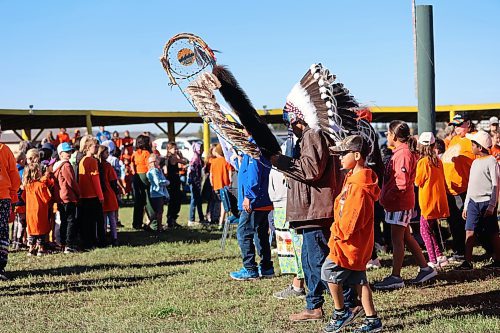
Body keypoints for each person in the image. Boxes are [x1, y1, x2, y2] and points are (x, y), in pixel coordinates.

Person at [270, 117, 340, 321]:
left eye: (288, 120)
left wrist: (281, 161)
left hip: (315, 210)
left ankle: (349, 303)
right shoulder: (310, 136)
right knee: (310, 262)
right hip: (310, 211)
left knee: (318, 262)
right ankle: (314, 306)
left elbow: (311, 170)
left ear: (298, 118)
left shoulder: (313, 134)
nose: (288, 125)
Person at [321, 135, 383, 333]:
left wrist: (336, 233)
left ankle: (341, 312)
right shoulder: (354, 179)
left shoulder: (358, 186)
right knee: (360, 281)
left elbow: (351, 220)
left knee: (328, 273)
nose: (339, 157)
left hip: (348, 244)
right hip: (355, 244)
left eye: (343, 153)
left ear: (357, 155)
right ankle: (372, 319)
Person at [375, 121, 436, 290]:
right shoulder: (402, 152)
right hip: (400, 202)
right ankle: (425, 268)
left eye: (388, 133)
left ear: (394, 135)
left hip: (399, 203)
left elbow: (400, 183)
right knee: (406, 237)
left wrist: (386, 198)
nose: (387, 136)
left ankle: (396, 276)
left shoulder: (403, 153)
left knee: (397, 240)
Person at [229, 133, 274, 281]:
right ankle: (266, 267)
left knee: (244, 233)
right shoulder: (262, 144)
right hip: (263, 200)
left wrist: (249, 196)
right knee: (260, 234)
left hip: (255, 200)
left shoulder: (253, 146)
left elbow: (254, 173)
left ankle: (250, 268)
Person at [270, 140, 306, 300]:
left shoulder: (294, 148)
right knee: (289, 248)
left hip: (289, 204)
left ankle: (299, 285)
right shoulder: (289, 145)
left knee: (297, 247)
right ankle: (298, 283)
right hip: (281, 205)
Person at [459, 131, 500, 270]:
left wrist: (492, 205)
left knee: (493, 232)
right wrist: (466, 205)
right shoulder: (475, 162)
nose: (471, 146)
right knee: (469, 231)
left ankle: (498, 260)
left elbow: (496, 185)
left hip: (487, 202)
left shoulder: (492, 161)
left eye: (473, 144)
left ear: (480, 147)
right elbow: (470, 185)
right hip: (473, 203)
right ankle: (468, 261)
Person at [441, 114, 475, 262]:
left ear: (468, 124)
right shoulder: (454, 139)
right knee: (453, 222)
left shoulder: (473, 139)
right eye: (454, 125)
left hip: (464, 189)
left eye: (459, 125)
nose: (455, 128)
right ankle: (458, 250)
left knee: (462, 222)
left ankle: (463, 252)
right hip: (450, 189)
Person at [414, 132, 450, 269]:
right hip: (439, 202)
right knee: (429, 230)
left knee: (424, 231)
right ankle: (439, 255)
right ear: (434, 144)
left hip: (427, 202)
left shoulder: (422, 162)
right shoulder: (438, 161)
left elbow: (417, 182)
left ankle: (433, 259)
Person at [0, 135, 22, 280]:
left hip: (4, 196)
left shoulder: (4, 149)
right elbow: (14, 175)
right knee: (1, 232)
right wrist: (13, 195)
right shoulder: (4, 149)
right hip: (3, 196)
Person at [78, 137, 105, 249]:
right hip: (92, 195)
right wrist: (101, 196)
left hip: (83, 195)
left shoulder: (82, 161)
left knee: (86, 222)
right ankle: (96, 241)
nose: (97, 148)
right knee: (96, 221)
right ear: (88, 147)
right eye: (95, 146)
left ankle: (87, 242)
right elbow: (95, 179)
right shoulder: (93, 161)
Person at [53, 142, 80, 253]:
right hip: (68, 196)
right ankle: (69, 245)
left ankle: (63, 244)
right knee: (70, 220)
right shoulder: (66, 165)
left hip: (60, 197)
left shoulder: (56, 165)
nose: (69, 153)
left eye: (70, 151)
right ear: (60, 153)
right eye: (66, 152)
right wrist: (78, 193)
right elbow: (71, 181)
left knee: (64, 221)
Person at [22, 163, 52, 256]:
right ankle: (40, 249)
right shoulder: (41, 185)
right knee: (41, 230)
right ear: (37, 172)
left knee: (31, 230)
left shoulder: (27, 186)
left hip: (30, 211)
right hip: (41, 211)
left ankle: (31, 248)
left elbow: (24, 197)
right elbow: (47, 198)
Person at [97, 145, 120, 245]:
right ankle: (114, 237)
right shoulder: (107, 166)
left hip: (100, 193)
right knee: (112, 218)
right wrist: (117, 192)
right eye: (106, 153)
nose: (108, 154)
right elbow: (113, 180)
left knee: (103, 218)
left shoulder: (97, 165)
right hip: (109, 193)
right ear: (102, 154)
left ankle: (103, 236)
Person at [131, 135, 155, 230]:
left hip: (136, 176)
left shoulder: (135, 153)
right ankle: (154, 224)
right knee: (149, 200)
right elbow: (150, 166)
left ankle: (136, 223)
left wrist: (134, 173)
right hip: (145, 175)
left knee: (138, 201)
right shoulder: (146, 153)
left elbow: (132, 164)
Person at [209, 144, 232, 229]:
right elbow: (230, 174)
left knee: (216, 203)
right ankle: (221, 221)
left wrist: (212, 184)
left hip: (216, 186)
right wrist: (230, 182)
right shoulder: (226, 161)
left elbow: (211, 175)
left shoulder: (213, 162)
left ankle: (213, 218)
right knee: (224, 203)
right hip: (225, 186)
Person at [165, 142, 187, 228]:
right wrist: (181, 157)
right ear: (169, 149)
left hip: (172, 181)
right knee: (175, 201)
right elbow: (184, 162)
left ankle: (171, 220)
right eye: (175, 148)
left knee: (173, 201)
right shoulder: (173, 158)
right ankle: (172, 219)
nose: (177, 150)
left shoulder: (168, 157)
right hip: (174, 181)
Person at [147, 154, 170, 232]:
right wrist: (166, 182)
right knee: (159, 212)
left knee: (156, 212)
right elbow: (158, 182)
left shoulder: (155, 170)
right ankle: (159, 228)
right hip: (157, 193)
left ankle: (150, 225)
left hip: (156, 193)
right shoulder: (154, 171)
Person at [11, 151, 27, 250]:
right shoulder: (22, 171)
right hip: (21, 199)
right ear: (21, 160)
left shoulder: (11, 170)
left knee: (16, 221)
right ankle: (19, 242)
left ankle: (14, 241)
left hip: (13, 199)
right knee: (21, 221)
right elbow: (23, 185)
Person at [187, 142, 205, 226]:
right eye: (200, 148)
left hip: (197, 182)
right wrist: (191, 181)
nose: (201, 150)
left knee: (198, 200)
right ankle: (191, 219)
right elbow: (191, 171)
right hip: (194, 182)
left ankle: (201, 218)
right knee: (194, 200)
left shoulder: (198, 158)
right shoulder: (195, 159)